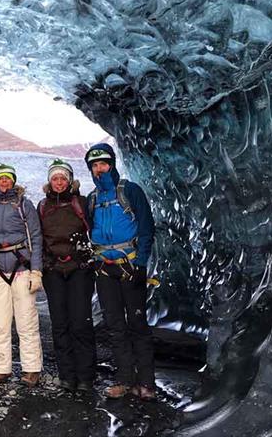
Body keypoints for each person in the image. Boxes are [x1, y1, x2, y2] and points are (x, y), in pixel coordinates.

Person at [84, 143, 156, 400]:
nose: (99, 169)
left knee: (137, 323)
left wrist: (141, 264)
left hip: (130, 267)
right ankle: (125, 379)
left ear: (112, 164)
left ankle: (146, 383)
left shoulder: (129, 191)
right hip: (105, 270)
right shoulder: (92, 199)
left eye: (103, 163)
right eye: (94, 165)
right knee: (115, 326)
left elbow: (147, 227)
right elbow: (90, 231)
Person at [0, 163, 43, 387]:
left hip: (22, 269)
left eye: (7, 178)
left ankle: (31, 369)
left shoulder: (25, 205)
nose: (4, 182)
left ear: (13, 181)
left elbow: (35, 237)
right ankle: (0, 369)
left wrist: (36, 270)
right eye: (0, 179)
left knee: (27, 322)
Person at [37, 159, 96, 393]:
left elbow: (96, 231)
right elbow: (37, 237)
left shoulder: (80, 203)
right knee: (60, 323)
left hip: (79, 269)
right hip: (54, 271)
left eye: (63, 178)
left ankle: (86, 376)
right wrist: (42, 265)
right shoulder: (43, 206)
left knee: (80, 322)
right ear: (49, 182)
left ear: (70, 180)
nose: (59, 182)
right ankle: (66, 375)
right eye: (55, 178)